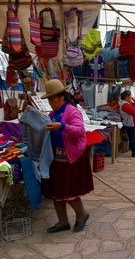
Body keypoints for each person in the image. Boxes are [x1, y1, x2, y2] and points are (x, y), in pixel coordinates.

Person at [41, 79, 92, 233]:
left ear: (62, 96)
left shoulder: (71, 111)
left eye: (52, 98)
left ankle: (82, 215)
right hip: (55, 157)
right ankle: (63, 222)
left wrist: (62, 126)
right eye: (49, 99)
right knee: (56, 192)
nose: (50, 102)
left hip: (70, 157)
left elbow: (79, 131)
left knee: (69, 191)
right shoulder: (52, 113)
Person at [119, 90, 135, 157]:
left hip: (132, 123)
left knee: (134, 138)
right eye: (130, 96)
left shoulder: (128, 103)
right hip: (129, 124)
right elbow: (134, 111)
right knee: (133, 138)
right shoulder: (125, 104)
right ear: (126, 96)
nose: (131, 97)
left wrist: (134, 101)